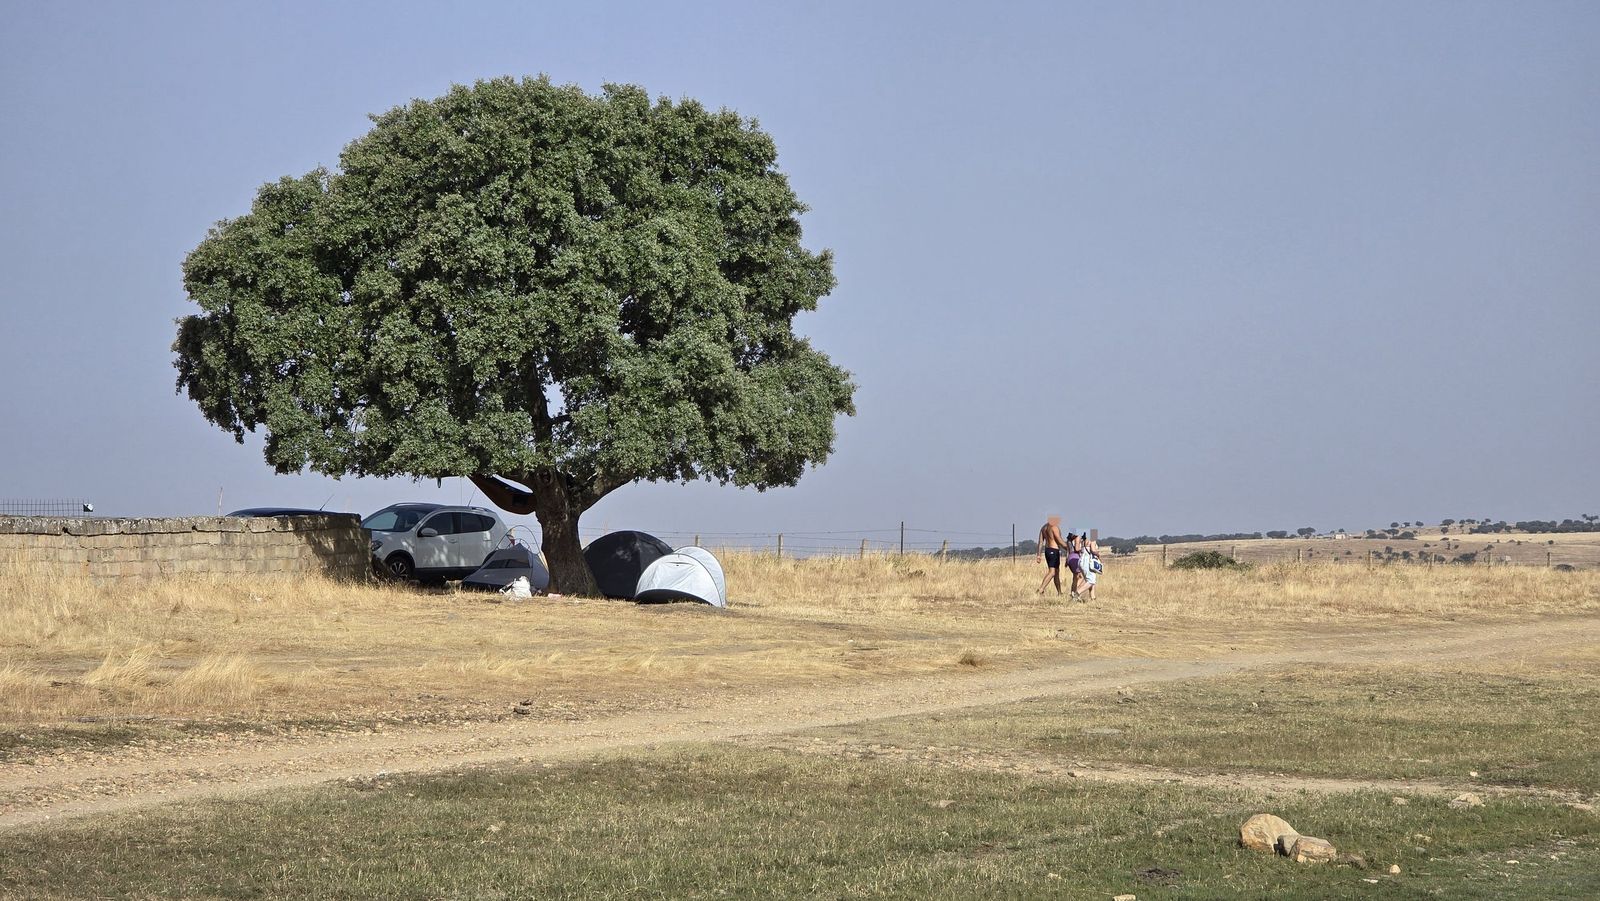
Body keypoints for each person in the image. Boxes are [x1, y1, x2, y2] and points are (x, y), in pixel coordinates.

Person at [1035, 515, 1071, 595]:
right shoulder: (1054, 527)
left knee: (1056, 572)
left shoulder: (1043, 527)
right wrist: (1069, 548)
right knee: (1052, 572)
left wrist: (1039, 555)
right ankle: (1041, 589)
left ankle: (1059, 592)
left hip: (1047, 551)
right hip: (1053, 551)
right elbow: (1059, 541)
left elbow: (1040, 542)